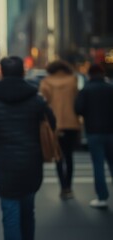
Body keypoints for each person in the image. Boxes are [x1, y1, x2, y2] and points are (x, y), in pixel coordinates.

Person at [0, 56, 55, 240]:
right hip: (31, 164)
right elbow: (53, 124)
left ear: (1, 73)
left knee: (10, 216)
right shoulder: (36, 98)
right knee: (28, 213)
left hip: (5, 167)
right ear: (23, 72)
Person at [39, 60, 81, 199]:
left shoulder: (46, 82)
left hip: (54, 124)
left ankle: (63, 187)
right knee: (69, 156)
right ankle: (69, 187)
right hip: (72, 123)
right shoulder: (73, 80)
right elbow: (77, 100)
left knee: (58, 156)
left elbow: (43, 103)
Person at [75, 64, 113, 208]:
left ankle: (102, 197)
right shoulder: (110, 88)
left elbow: (78, 108)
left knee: (98, 165)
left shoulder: (86, 90)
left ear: (90, 75)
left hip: (93, 131)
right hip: (111, 131)